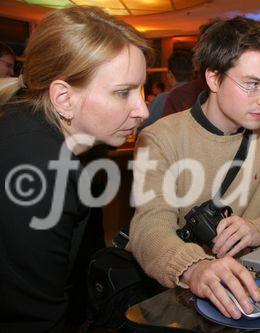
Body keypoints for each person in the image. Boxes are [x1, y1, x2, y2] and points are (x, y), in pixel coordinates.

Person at [130, 16, 260, 320]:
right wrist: (194, 267)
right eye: (252, 85)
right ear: (213, 79)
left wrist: (259, 229)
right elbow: (149, 228)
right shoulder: (161, 138)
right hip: (185, 294)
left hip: (255, 283)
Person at [0, 6, 152, 332]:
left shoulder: (79, 148)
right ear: (64, 98)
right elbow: (34, 319)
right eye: (123, 93)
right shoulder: (40, 170)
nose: (142, 110)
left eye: (140, 90)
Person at [138, 49, 194, 132]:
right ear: (192, 73)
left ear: (170, 75)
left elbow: (144, 132)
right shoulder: (204, 97)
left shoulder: (162, 100)